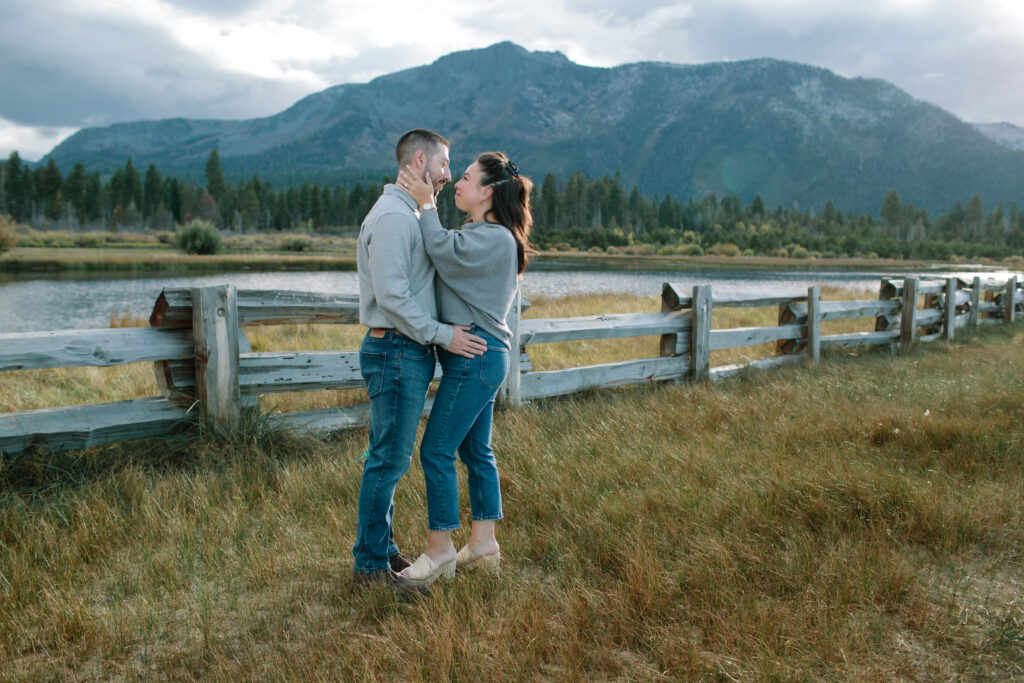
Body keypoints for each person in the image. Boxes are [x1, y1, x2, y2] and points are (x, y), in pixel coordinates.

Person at [393, 151, 534, 589]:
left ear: (487, 192)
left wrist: (426, 204)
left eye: (466, 178)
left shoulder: (494, 237)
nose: (457, 182)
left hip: (475, 356)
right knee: (476, 453)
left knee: (436, 451)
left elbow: (440, 249)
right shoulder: (487, 233)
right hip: (481, 356)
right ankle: (484, 545)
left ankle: (439, 553)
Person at [353, 129, 487, 588]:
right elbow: (391, 296)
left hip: (406, 350)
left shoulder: (412, 212)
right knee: (387, 460)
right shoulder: (393, 216)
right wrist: (442, 334)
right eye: (445, 165)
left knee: (391, 457)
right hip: (394, 348)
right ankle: (369, 566)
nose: (449, 175)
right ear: (418, 160)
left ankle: (383, 550)